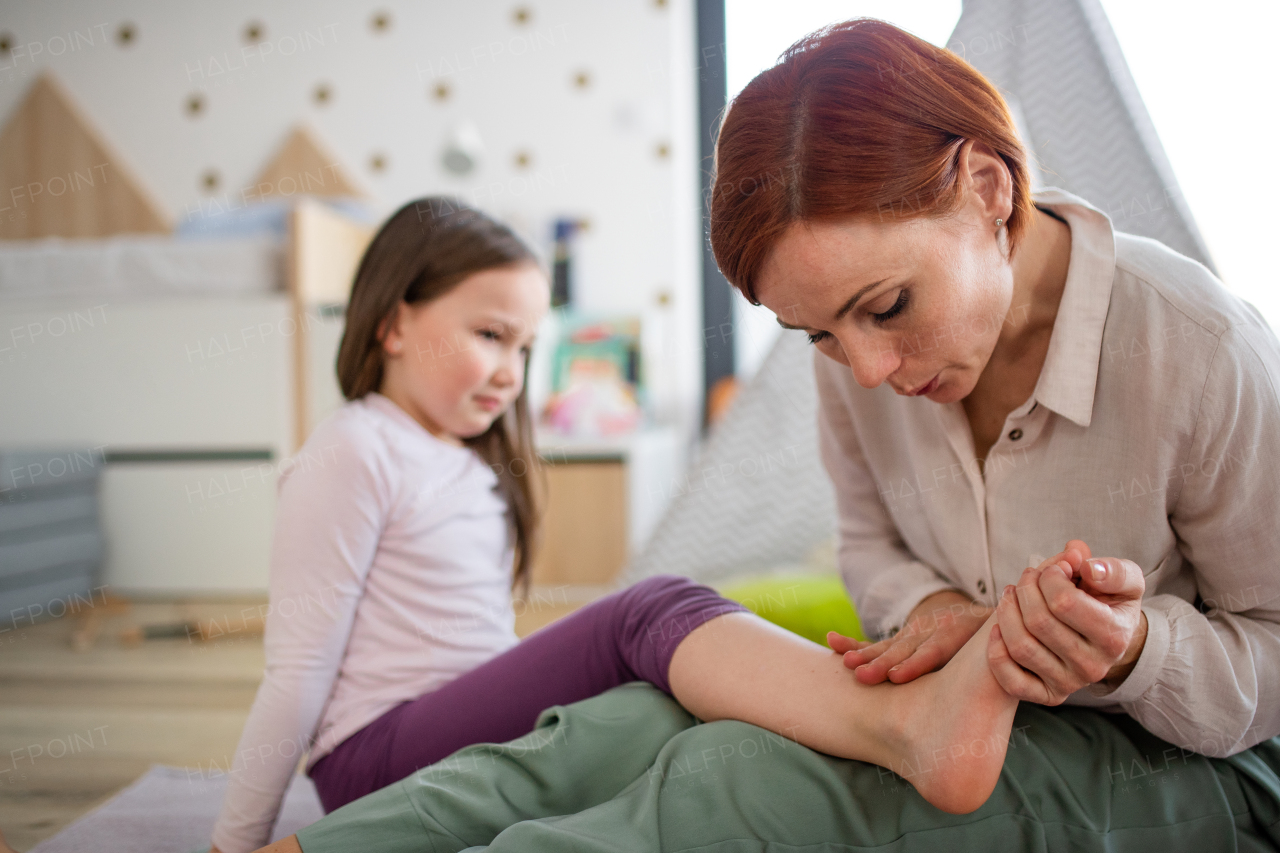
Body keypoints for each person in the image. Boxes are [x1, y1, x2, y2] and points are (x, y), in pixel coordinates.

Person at [240, 18, 1280, 852]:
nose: (865, 371)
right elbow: (870, 547)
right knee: (631, 722)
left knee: (731, 781)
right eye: (815, 334)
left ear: (987, 190)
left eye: (883, 307)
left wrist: (1132, 649)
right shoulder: (851, 349)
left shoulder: (1200, 350)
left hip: (1190, 760)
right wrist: (933, 611)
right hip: (962, 713)